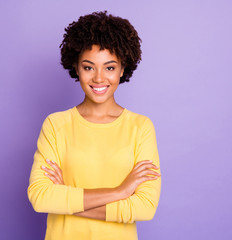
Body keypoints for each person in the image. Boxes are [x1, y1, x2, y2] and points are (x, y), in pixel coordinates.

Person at [27, 10, 161, 240]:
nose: (99, 78)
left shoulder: (140, 128)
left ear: (122, 69)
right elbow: (41, 198)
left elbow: (145, 206)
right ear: (76, 68)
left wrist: (67, 200)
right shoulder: (56, 125)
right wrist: (120, 192)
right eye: (89, 67)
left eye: (109, 67)